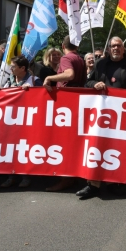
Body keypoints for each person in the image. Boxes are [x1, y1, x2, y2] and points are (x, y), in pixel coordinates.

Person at [79, 36, 126, 199]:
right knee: (98, 147)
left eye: (119, 46)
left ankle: (114, 181)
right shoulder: (100, 64)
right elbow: (87, 82)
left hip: (124, 115)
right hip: (102, 114)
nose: (116, 48)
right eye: (113, 46)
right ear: (108, 49)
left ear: (124, 49)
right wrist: (94, 85)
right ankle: (93, 185)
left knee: (117, 148)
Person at [43, 36, 86, 192]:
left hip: (67, 105)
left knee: (65, 143)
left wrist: (50, 77)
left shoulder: (67, 58)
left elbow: (69, 74)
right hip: (76, 104)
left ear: (63, 46)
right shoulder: (79, 58)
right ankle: (72, 176)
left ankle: (66, 179)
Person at [0, 55, 42, 188]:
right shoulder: (8, 81)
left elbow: (43, 99)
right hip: (10, 121)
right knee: (11, 149)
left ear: (23, 68)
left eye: (13, 66)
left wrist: (32, 91)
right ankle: (12, 176)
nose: (11, 68)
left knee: (24, 149)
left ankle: (26, 176)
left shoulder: (35, 80)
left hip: (27, 121)